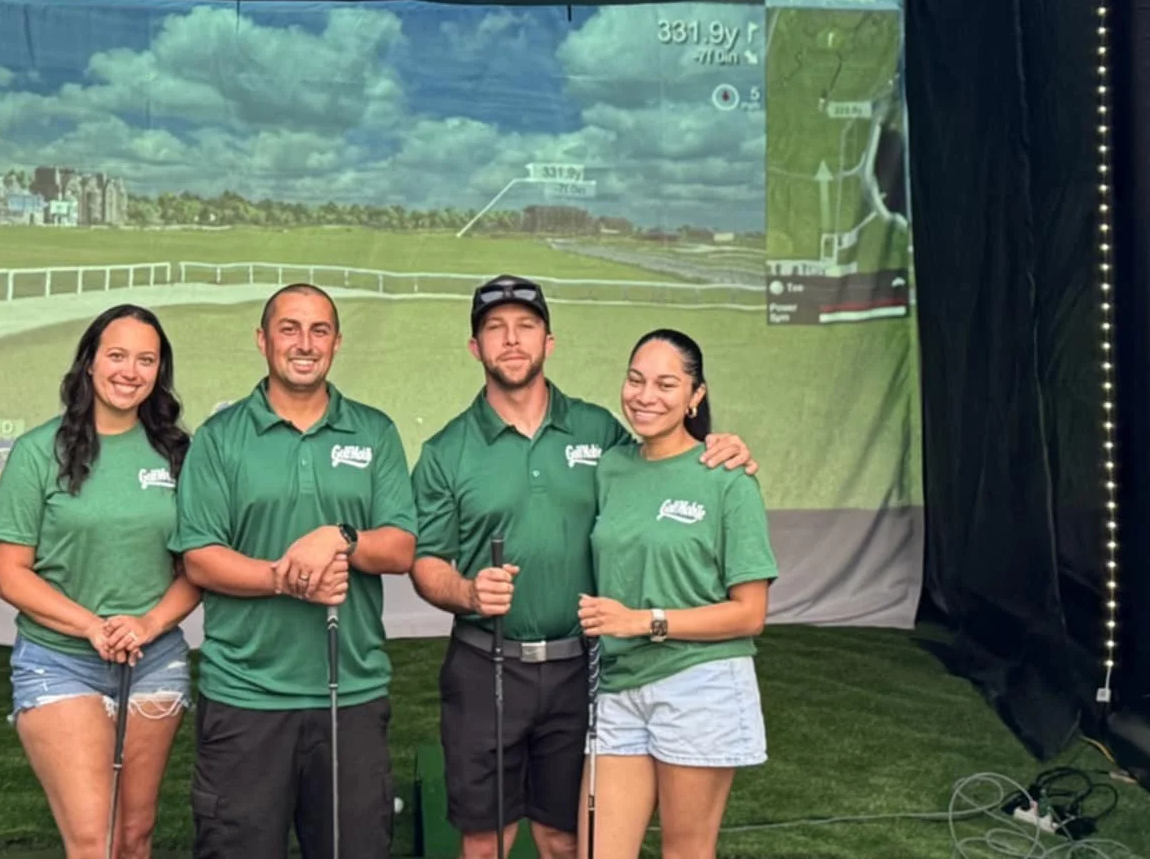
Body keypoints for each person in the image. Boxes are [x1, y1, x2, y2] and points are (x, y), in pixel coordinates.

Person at [411, 277, 756, 859]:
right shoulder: (448, 450)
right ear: (476, 348)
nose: (512, 340)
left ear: (550, 341)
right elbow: (425, 563)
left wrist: (719, 446)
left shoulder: (601, 433)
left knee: (565, 836)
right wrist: (468, 591)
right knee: (485, 837)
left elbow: (663, 461)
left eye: (526, 326)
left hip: (580, 669)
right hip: (483, 665)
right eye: (495, 328)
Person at [173, 283, 418, 859]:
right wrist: (287, 578)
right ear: (263, 340)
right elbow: (200, 557)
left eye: (319, 330)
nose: (304, 344)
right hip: (246, 696)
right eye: (289, 328)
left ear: (336, 342)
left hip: (350, 696)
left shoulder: (374, 431)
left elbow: (401, 547)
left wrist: (341, 538)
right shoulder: (219, 439)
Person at [0, 304, 203, 859]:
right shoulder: (39, 451)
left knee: (134, 837)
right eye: (117, 355)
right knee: (94, 841)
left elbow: (197, 569)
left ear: (159, 372)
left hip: (154, 659)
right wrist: (92, 626)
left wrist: (149, 624)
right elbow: (9, 574)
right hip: (59, 659)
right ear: (89, 363)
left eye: (146, 359)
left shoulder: (180, 455)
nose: (130, 371)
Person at [578, 328, 778, 859]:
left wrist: (642, 621)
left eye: (667, 384)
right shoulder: (612, 467)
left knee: (685, 852)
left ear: (696, 396)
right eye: (636, 379)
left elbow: (751, 614)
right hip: (620, 686)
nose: (645, 396)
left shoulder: (728, 479)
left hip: (701, 684)